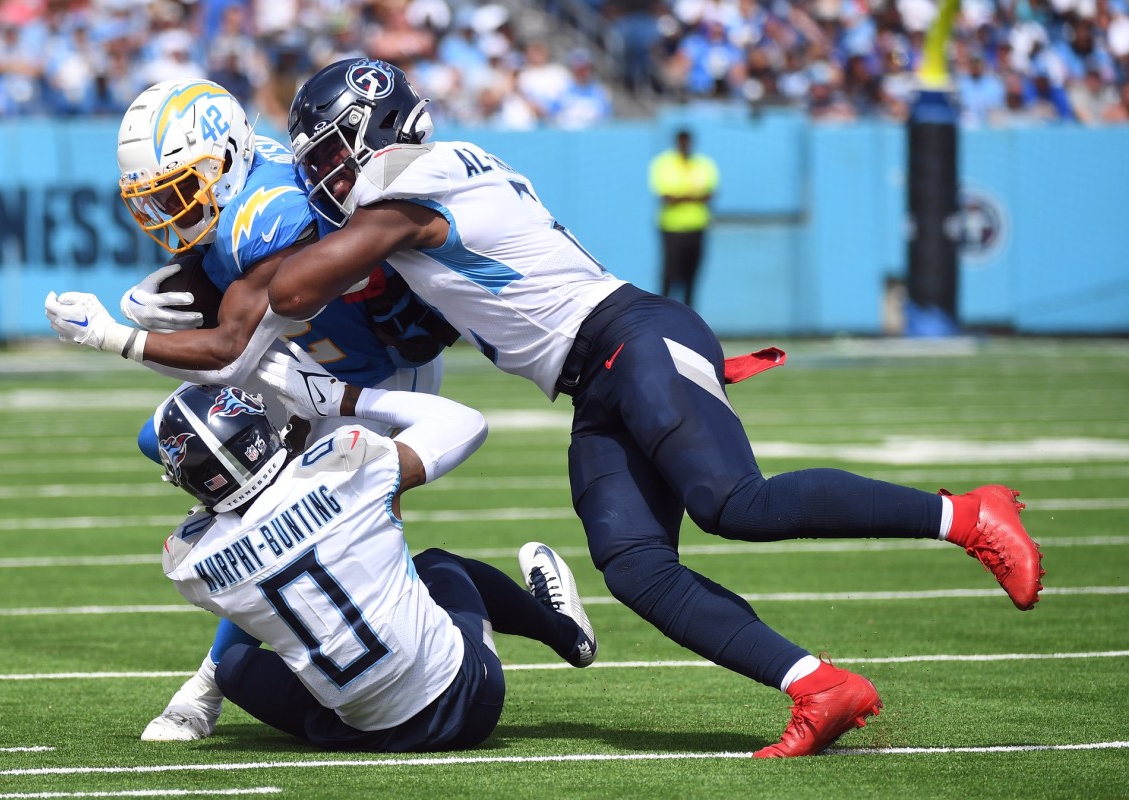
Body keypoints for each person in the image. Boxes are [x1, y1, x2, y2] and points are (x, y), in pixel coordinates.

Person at [266, 57, 1046, 759]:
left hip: (628, 338)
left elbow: (296, 289)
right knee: (635, 566)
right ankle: (818, 685)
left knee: (735, 502)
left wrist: (241, 273)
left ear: (380, 129)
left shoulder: (414, 181)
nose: (328, 176)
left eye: (335, 153)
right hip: (595, 374)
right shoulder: (424, 184)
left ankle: (969, 515)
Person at [43, 78, 458, 743]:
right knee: (169, 441)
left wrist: (115, 337)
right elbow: (229, 308)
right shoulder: (238, 191)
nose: (170, 216)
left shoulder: (268, 215)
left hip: (372, 374)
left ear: (227, 158)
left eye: (181, 192)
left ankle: (209, 682)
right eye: (158, 198)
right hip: (302, 366)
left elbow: (227, 357)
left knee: (283, 514)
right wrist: (189, 292)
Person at [153, 370, 597, 751]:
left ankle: (343, 720)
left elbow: (255, 533)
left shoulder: (189, 565)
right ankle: (567, 634)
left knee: (231, 667)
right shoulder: (347, 467)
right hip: (469, 703)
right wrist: (340, 397)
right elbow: (466, 422)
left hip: (361, 732)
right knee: (437, 564)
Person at [647, 129, 719, 308]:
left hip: (697, 226)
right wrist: (693, 196)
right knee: (670, 274)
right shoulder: (663, 163)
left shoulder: (703, 164)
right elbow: (667, 197)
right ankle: (663, 314)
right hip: (672, 228)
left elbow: (709, 195)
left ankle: (689, 316)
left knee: (692, 276)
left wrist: (682, 195)